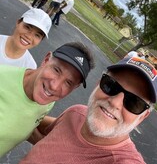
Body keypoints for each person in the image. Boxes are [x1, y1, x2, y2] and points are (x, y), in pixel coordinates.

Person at [20, 57, 156, 164]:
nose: (115, 102)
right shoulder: (75, 113)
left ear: (142, 117)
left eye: (134, 103)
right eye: (110, 85)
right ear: (98, 84)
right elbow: (45, 134)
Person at [0, 42, 94, 157]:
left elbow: (25, 123)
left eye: (68, 82)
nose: (55, 86)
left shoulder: (48, 100)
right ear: (46, 60)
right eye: (56, 70)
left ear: (75, 88)